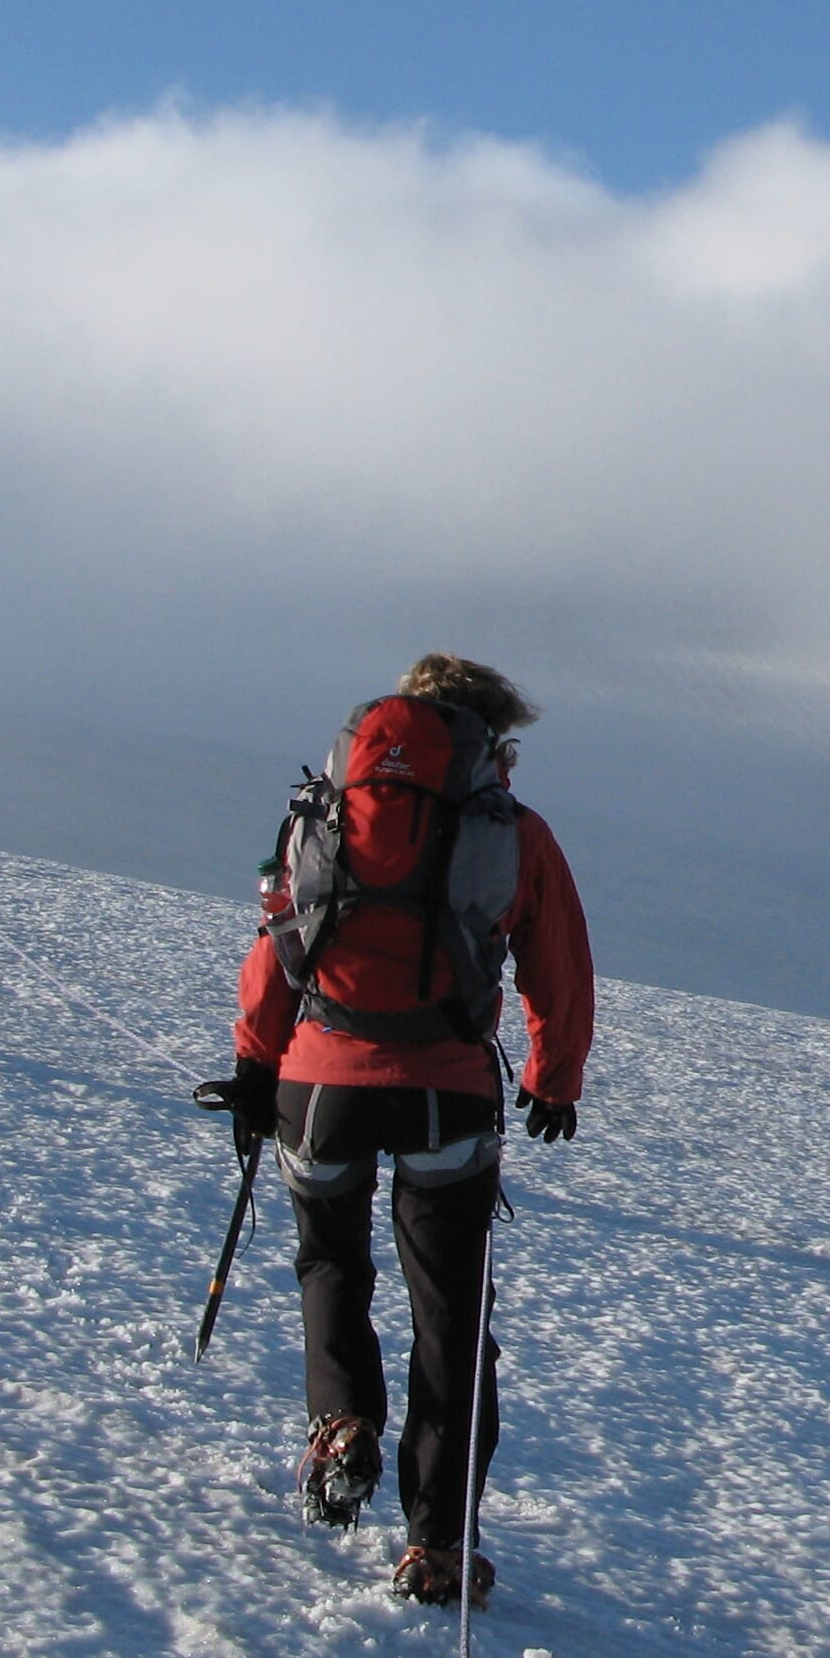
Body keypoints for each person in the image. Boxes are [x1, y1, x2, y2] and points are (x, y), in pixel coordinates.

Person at [204, 652, 595, 1606]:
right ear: (487, 736)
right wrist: (553, 1079)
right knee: (452, 1317)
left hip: (317, 1083)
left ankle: (342, 1425)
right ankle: (437, 1544)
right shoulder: (513, 830)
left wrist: (257, 1069)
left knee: (330, 1262)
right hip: (446, 1092)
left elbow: (280, 943)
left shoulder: (325, 808)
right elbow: (559, 962)